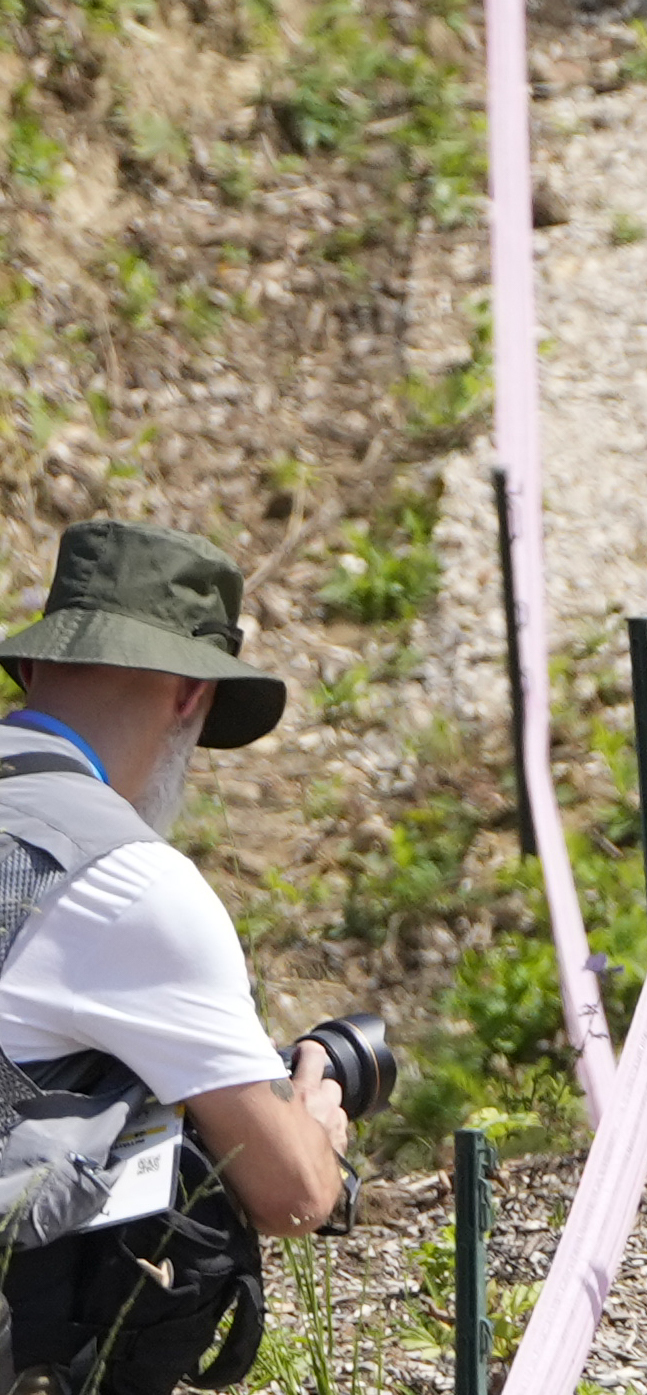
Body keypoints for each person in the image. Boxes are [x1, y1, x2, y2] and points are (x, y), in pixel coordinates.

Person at [0, 521, 353, 1394]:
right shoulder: (128, 879)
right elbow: (294, 1192)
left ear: (37, 668)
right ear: (191, 696)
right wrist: (313, 1115)